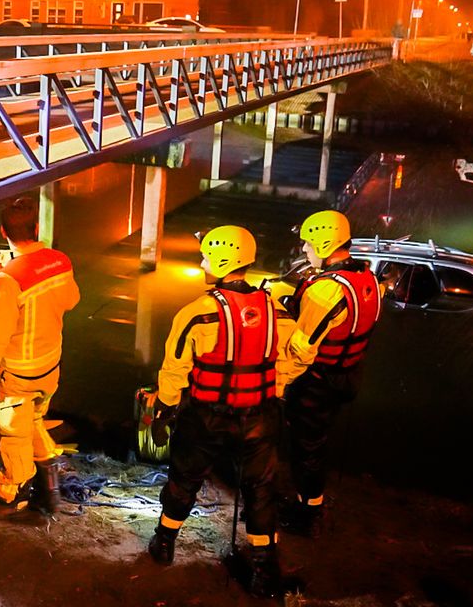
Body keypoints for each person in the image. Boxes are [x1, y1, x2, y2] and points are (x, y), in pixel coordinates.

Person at [146, 226, 297, 599]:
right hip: (260, 415)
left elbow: (175, 368)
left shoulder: (197, 313)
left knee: (185, 479)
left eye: (206, 256)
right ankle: (264, 569)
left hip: (207, 416)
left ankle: (164, 543)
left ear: (219, 260)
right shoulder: (275, 308)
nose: (201, 262)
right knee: (261, 491)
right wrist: (275, 390)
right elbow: (295, 356)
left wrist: (164, 408)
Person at [0, 197, 79, 513]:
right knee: (35, 420)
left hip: (18, 373)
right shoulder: (60, 261)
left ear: (2, 231)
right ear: (38, 227)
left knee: (13, 435)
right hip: (50, 364)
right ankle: (50, 485)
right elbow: (71, 299)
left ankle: (13, 494)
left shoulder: (7, 280)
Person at [282, 210, 381, 537]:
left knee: (306, 447)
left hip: (319, 380)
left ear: (325, 244)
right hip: (348, 373)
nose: (305, 250)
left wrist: (277, 385)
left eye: (308, 244)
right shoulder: (367, 278)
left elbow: (302, 349)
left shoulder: (325, 292)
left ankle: (307, 513)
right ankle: (311, 500)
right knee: (316, 442)